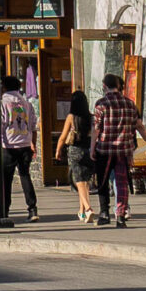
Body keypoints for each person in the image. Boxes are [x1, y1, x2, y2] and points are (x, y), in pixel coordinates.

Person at [89, 71, 140, 227]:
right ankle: (121, 215)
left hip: (105, 149)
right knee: (122, 182)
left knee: (103, 182)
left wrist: (92, 148)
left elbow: (97, 129)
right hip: (123, 150)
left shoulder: (101, 104)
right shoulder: (130, 104)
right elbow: (135, 126)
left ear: (104, 86)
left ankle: (104, 213)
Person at [0, 78, 39, 226]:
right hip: (25, 144)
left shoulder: (3, 104)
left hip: (9, 145)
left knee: (6, 180)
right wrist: (33, 143)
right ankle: (32, 209)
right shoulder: (26, 103)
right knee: (25, 176)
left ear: (4, 87)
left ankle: (5, 210)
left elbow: (1, 125)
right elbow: (33, 126)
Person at [55, 86, 94, 223]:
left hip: (75, 151)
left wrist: (58, 150)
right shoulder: (91, 117)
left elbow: (63, 136)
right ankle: (82, 211)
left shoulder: (71, 117)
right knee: (85, 182)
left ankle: (88, 209)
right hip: (89, 150)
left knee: (79, 182)